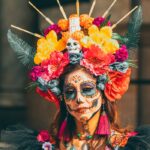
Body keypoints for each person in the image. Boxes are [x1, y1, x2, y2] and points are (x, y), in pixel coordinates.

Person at [1, 0, 150, 150]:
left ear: (103, 92)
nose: (78, 99)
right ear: (62, 97)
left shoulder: (128, 145)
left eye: (87, 89)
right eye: (70, 92)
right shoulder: (48, 145)